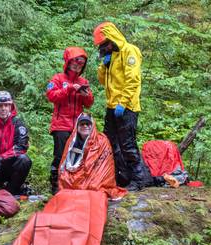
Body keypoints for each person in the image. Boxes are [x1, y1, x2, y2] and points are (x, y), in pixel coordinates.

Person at [93, 22, 150, 191]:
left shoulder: (129, 51)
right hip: (112, 106)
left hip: (127, 107)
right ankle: (121, 177)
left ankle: (138, 180)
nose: (106, 47)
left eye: (106, 44)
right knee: (111, 143)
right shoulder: (112, 56)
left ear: (113, 38)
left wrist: (123, 103)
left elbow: (133, 81)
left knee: (127, 144)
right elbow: (103, 81)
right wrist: (104, 65)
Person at [46, 47, 94, 194]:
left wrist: (85, 94)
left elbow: (89, 103)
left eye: (80, 64)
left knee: (78, 154)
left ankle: (73, 183)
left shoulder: (83, 81)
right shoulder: (58, 78)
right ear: (68, 62)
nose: (77, 66)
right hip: (61, 124)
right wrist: (70, 89)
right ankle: (56, 185)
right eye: (75, 63)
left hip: (78, 126)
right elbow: (51, 96)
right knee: (60, 156)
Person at [57, 113, 126, 200]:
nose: (85, 126)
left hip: (95, 176)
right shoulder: (71, 141)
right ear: (77, 127)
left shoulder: (102, 141)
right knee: (66, 181)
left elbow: (103, 166)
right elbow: (64, 163)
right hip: (78, 175)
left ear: (92, 126)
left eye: (88, 124)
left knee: (93, 187)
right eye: (82, 124)